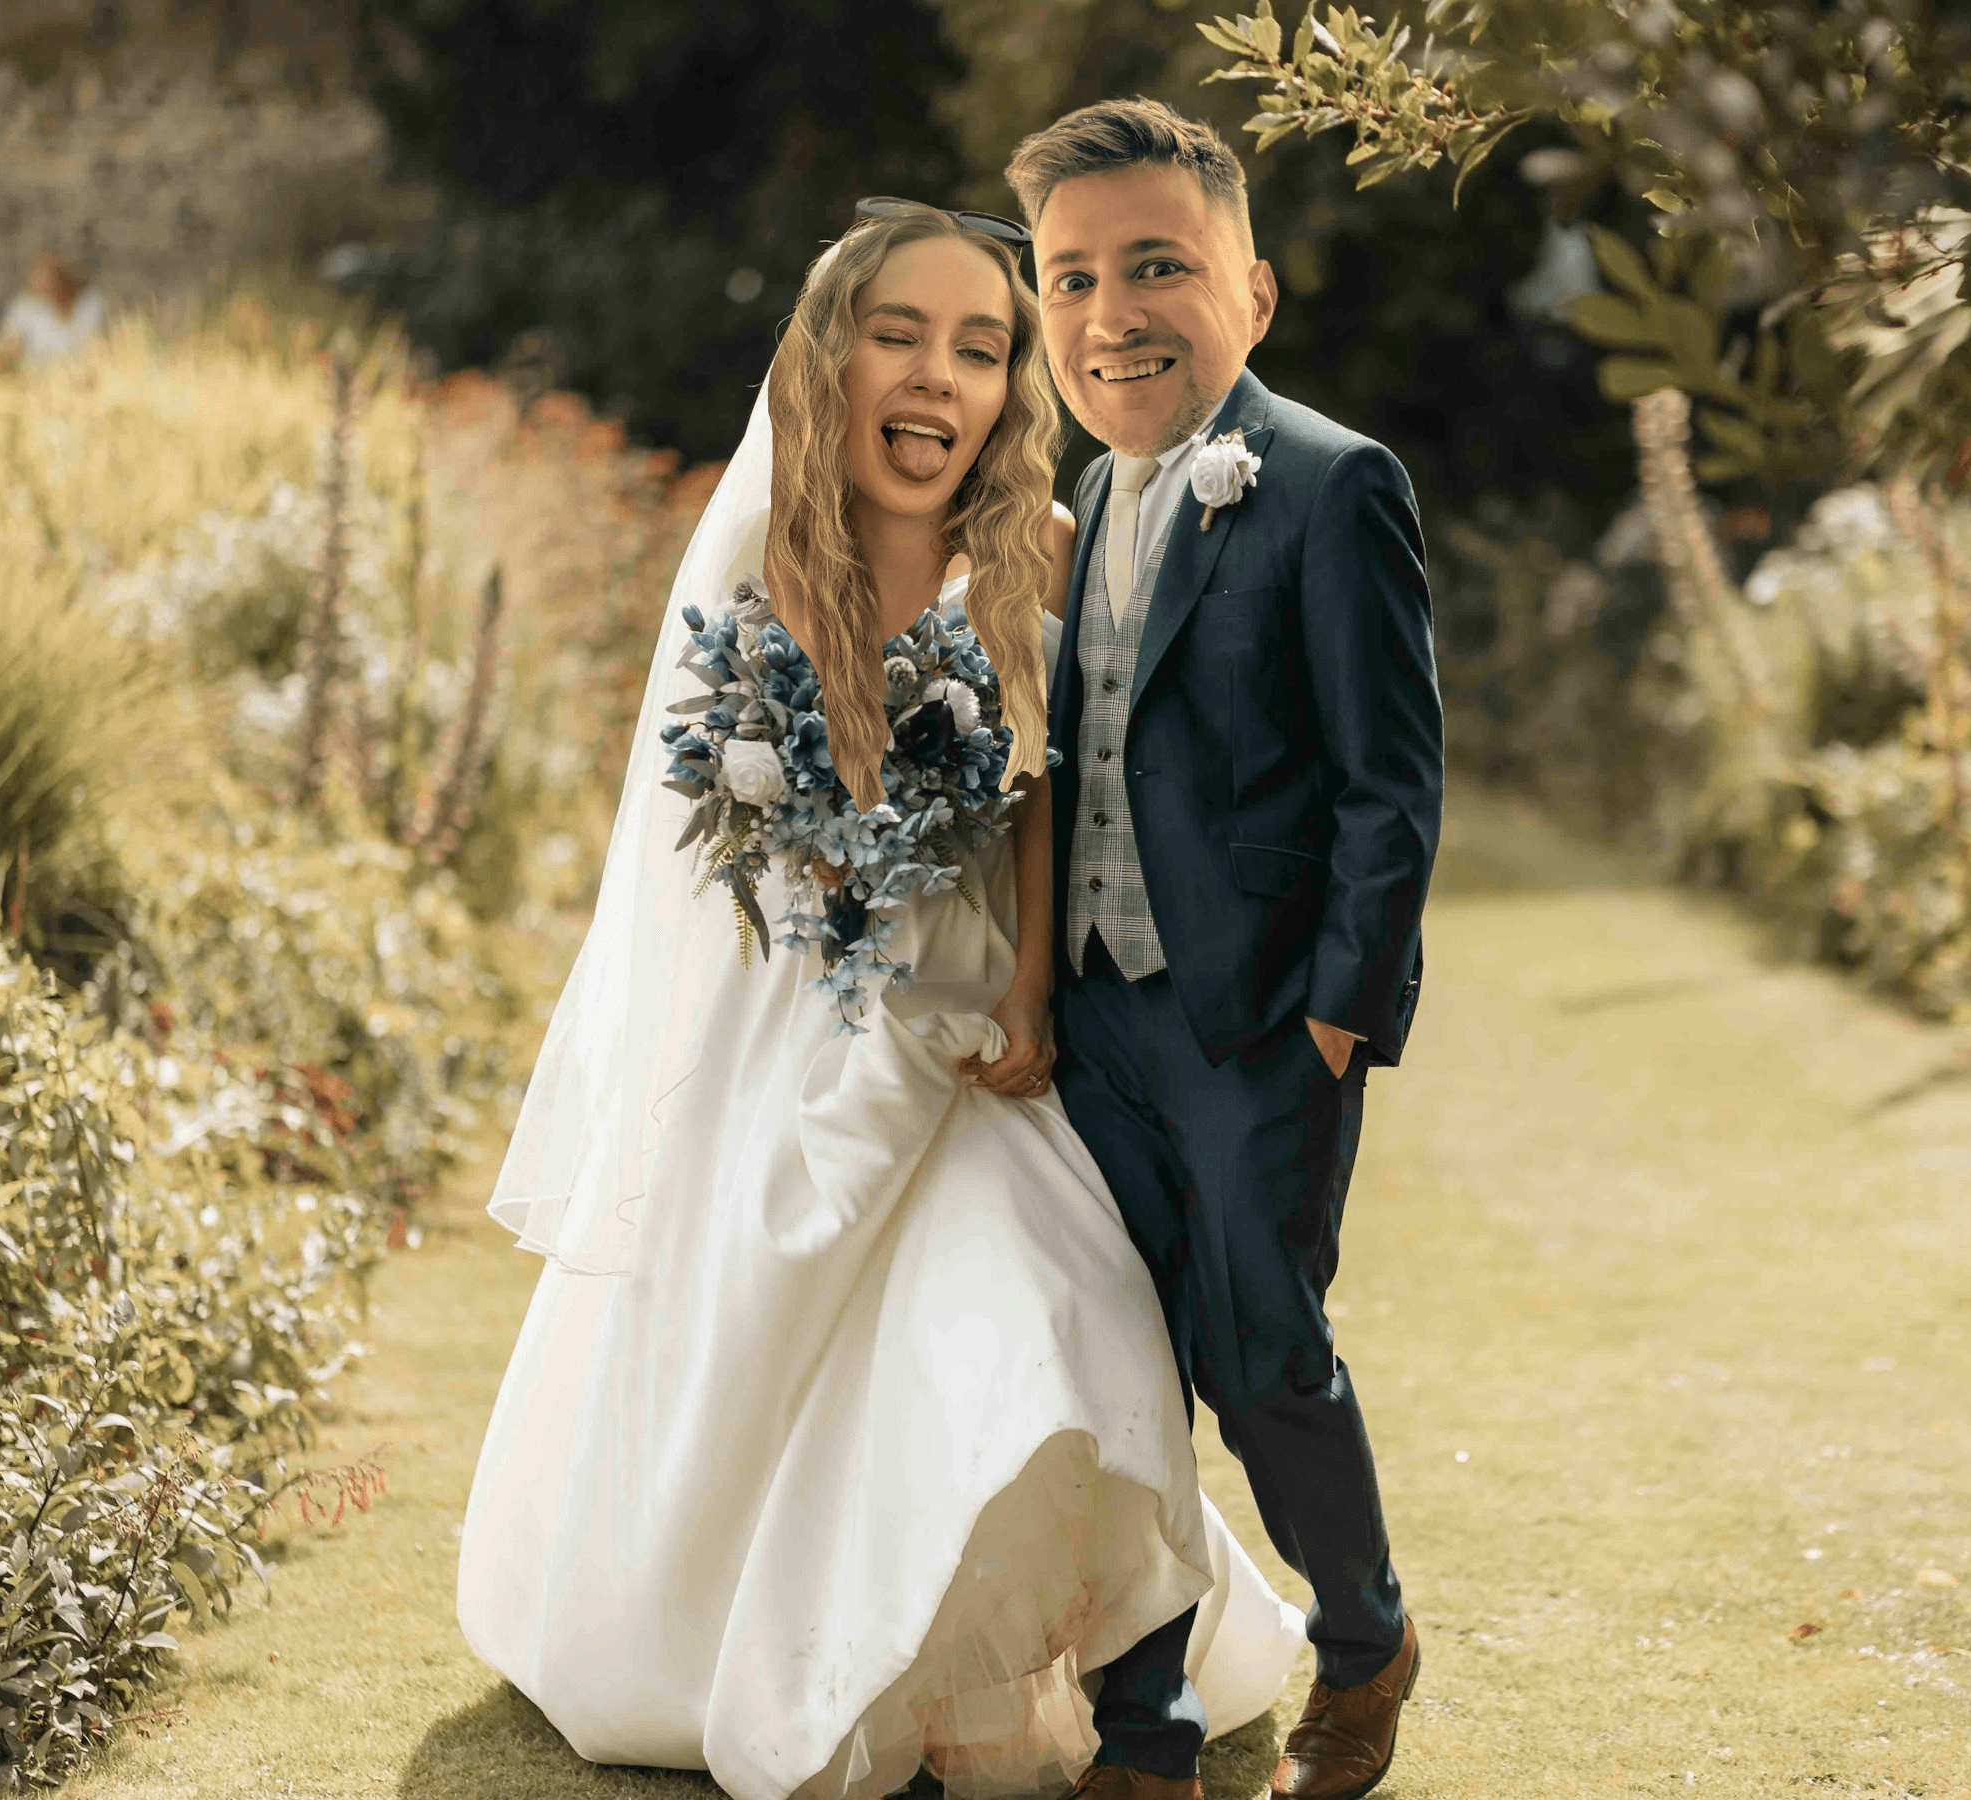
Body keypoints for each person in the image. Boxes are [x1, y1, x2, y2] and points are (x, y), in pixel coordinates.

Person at [456, 201, 1305, 1799]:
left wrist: (1037, 996)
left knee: (1064, 1299)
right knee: (786, 1353)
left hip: (982, 1025)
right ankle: (827, 1654)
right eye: (900, 334)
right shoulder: (765, 556)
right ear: (832, 352)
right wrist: (833, 877)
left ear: (1008, 387)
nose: (940, 376)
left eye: (981, 347)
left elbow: (1046, 788)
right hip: (803, 1025)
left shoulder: (1036, 551)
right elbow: (708, 839)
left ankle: (1141, 1712)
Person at [1006, 100, 1443, 1800]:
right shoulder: (1065, 512)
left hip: (1257, 1022)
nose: (1113, 314)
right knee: (1114, 1367)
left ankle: (1365, 1637)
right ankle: (1145, 1728)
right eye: (1073, 279)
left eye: (1159, 268)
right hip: (1091, 1017)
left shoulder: (1332, 485)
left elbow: (1389, 786)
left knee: (1261, 1357)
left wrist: (1338, 1020)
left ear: (1250, 292)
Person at [0, 251, 105, 367]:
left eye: (52, 275)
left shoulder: (92, 304)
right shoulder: (23, 309)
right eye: (39, 276)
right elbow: (6, 352)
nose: (44, 282)